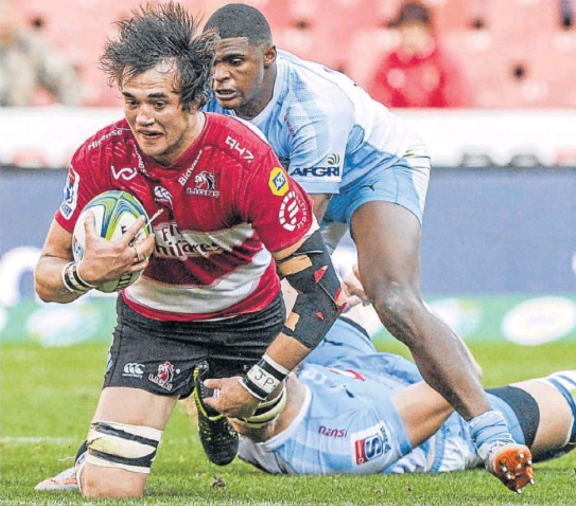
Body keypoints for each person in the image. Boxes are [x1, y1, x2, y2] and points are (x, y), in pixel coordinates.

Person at [202, 3, 530, 490]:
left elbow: (299, 230)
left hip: (375, 171)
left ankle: (490, 432)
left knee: (391, 295)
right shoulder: (208, 99)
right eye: (212, 64)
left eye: (235, 62)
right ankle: (190, 411)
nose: (220, 77)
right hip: (290, 186)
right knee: (212, 286)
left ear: (269, 55)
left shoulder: (314, 106)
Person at [33, 3, 344, 498]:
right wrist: (84, 273)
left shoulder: (245, 159)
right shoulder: (100, 157)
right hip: (156, 327)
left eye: (158, 102)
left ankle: (226, 400)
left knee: (263, 428)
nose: (142, 118)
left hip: (247, 321)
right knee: (109, 487)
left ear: (195, 100)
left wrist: (259, 383)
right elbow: (46, 277)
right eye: (132, 102)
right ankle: (102, 450)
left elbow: (323, 290)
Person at [227, 316, 576, 492]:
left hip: (351, 370)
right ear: (275, 391)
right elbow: (460, 377)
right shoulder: (341, 444)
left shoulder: (265, 402)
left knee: (313, 289)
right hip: (448, 428)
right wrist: (402, 309)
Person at [368, 1, 471, 108]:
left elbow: (456, 102)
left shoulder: (443, 63)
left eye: (417, 30)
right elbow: (377, 101)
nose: (412, 36)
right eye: (407, 29)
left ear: (428, 31)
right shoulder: (389, 63)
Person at [0, 0, 81, 106]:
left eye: (5, 12)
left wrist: (66, 115)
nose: (3, 19)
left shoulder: (29, 45)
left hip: (17, 117)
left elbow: (66, 82)